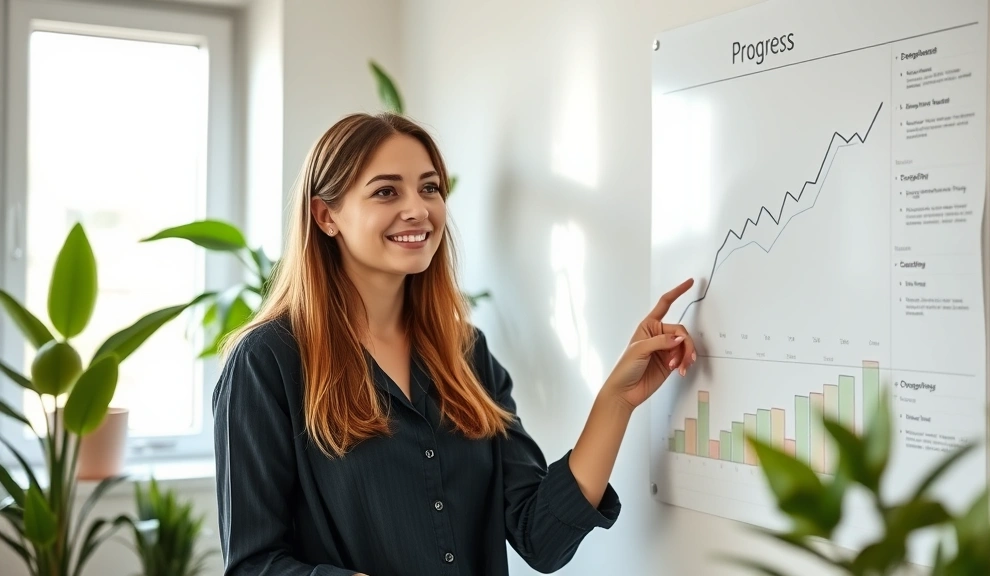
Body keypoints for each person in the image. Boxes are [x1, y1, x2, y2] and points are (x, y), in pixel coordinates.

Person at [211, 112, 698, 576]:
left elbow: (541, 537)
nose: (418, 210)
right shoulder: (266, 362)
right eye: (385, 191)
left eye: (429, 188)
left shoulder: (466, 353)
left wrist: (617, 400)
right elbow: (254, 563)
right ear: (325, 216)